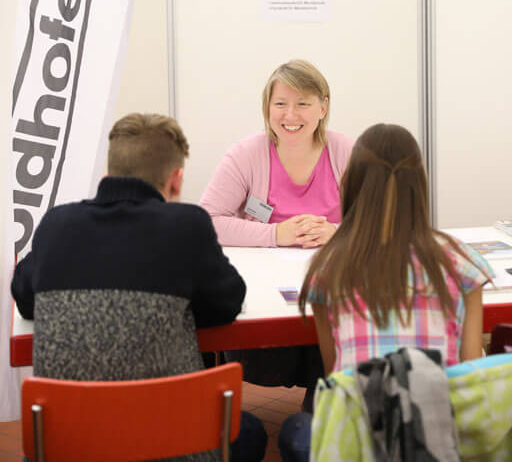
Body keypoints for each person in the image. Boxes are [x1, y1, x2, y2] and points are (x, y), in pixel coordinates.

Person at [12, 112, 267, 462]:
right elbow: (227, 303)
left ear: (107, 176)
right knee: (250, 431)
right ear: (176, 180)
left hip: (68, 447)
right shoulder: (187, 226)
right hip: (175, 448)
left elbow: (26, 300)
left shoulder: (57, 224)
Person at [279, 122, 493, 462]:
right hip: (435, 441)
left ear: (352, 186)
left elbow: (337, 375)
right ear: (419, 185)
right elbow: (468, 371)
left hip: (359, 443)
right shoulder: (461, 263)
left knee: (295, 429)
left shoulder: (328, 267)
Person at [200, 60, 353, 406]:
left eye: (303, 104)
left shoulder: (346, 151)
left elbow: (380, 221)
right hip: (265, 289)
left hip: (332, 286)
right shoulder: (246, 154)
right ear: (267, 107)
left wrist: (336, 232)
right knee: (266, 357)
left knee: (334, 346)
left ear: (323, 106)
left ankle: (322, 411)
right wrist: (275, 234)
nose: (290, 115)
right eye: (280, 104)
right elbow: (207, 219)